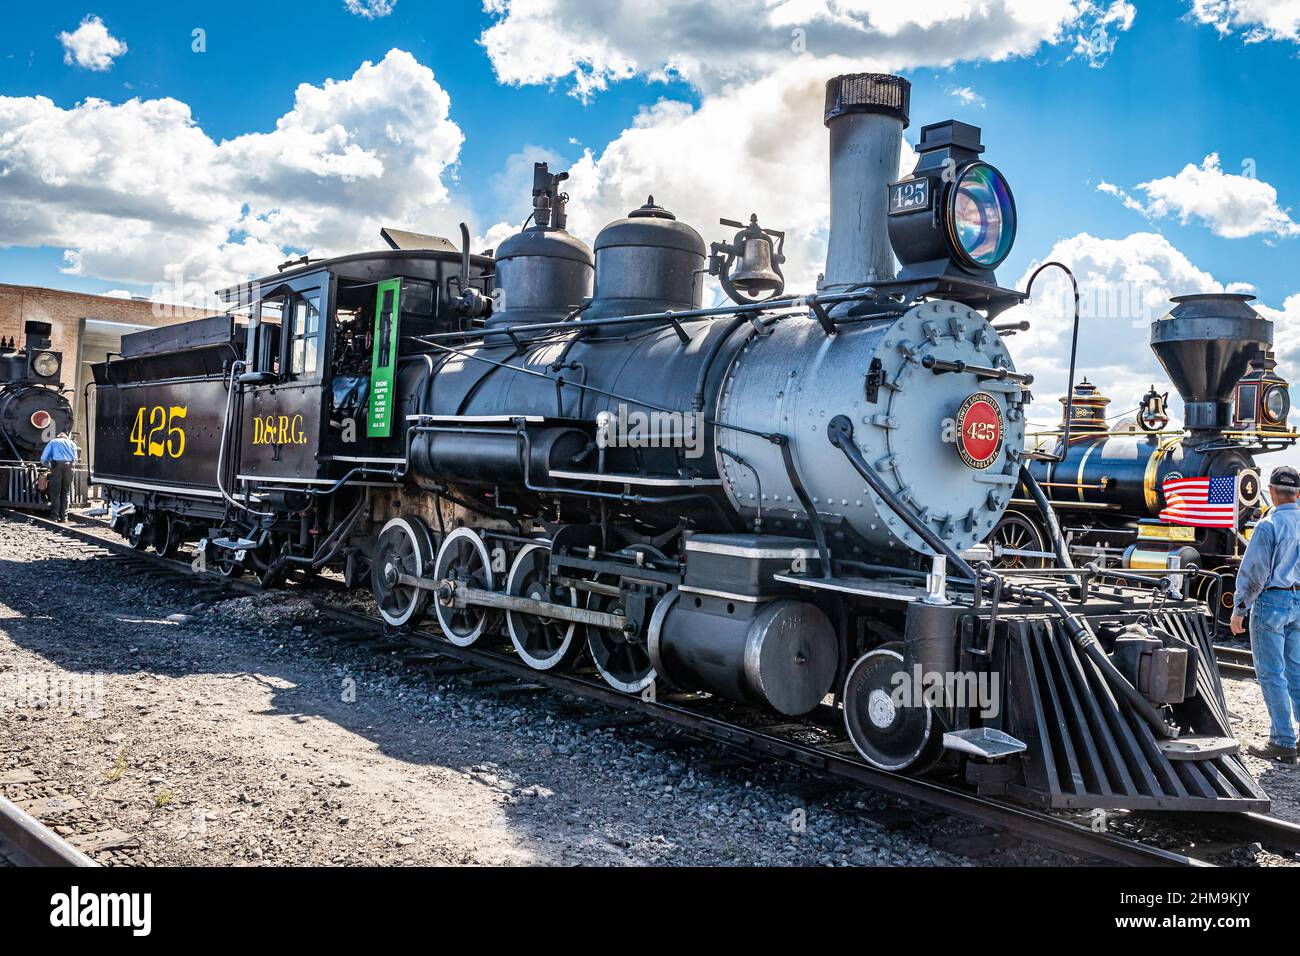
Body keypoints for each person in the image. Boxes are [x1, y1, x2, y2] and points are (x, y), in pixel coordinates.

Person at [1231, 465, 1300, 764]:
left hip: (1272, 601)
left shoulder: (1268, 525)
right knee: (1296, 672)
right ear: (1298, 493)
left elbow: (1255, 572)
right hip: (1299, 601)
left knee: (1272, 673)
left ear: (1271, 491)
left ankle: (1283, 741)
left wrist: (1240, 608)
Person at [39, 431, 79, 522]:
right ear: (65, 437)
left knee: (55, 492)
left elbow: (44, 459)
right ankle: (64, 517)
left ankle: (54, 517)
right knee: (66, 492)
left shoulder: (53, 442)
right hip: (70, 467)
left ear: (58, 437)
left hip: (57, 467)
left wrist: (49, 466)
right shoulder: (72, 443)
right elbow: (76, 459)